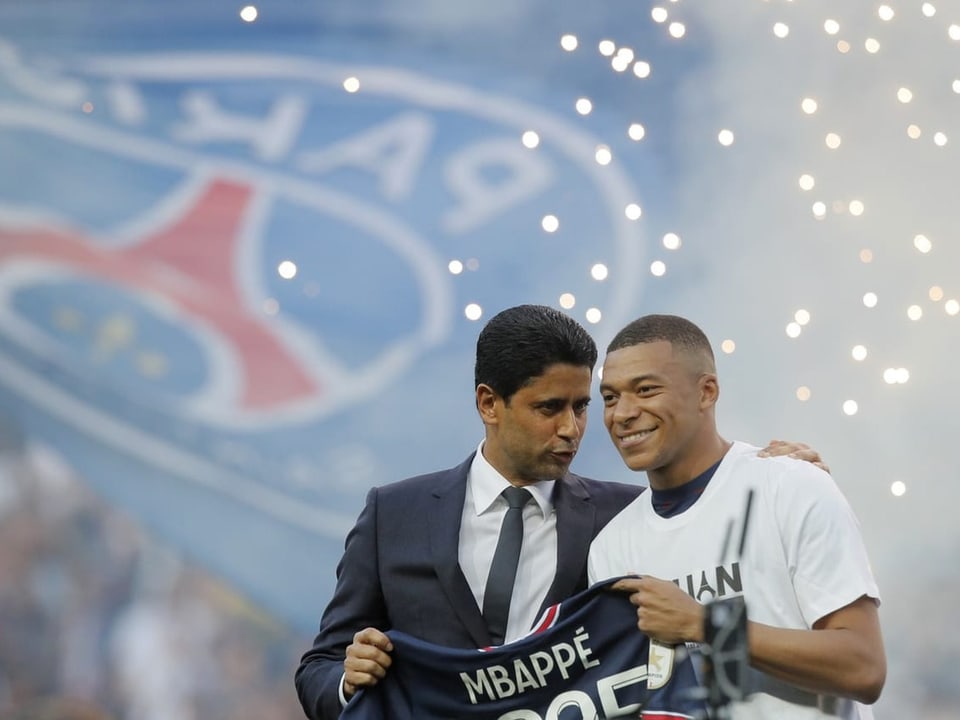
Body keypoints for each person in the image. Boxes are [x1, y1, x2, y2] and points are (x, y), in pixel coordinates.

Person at [294, 304, 828, 720]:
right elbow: (319, 666)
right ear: (488, 404)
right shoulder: (393, 514)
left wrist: (773, 473)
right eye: (549, 408)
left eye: (581, 406)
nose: (572, 429)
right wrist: (348, 680)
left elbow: (713, 583)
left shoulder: (627, 519)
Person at [587, 314, 885, 719]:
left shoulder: (791, 486)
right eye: (609, 397)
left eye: (645, 390)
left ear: (706, 392)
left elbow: (863, 666)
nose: (622, 413)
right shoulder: (611, 547)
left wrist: (706, 624)